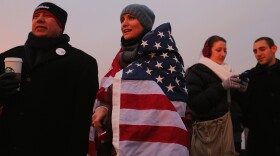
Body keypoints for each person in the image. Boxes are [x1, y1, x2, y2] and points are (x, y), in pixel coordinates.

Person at [88, 4, 190, 156]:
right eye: (122, 20)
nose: (124, 23)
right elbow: (111, 92)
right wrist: (104, 107)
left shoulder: (163, 56)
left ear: (145, 23)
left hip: (154, 142)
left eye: (131, 18)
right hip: (119, 143)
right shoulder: (118, 60)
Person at [0, 2, 99, 156]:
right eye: (35, 16)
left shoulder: (83, 63)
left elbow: (82, 121)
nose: (39, 19)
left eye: (47, 16)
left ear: (61, 26)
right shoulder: (7, 57)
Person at [185, 35, 248, 155]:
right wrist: (221, 87)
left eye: (225, 50)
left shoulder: (229, 73)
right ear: (207, 51)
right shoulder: (196, 71)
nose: (223, 54)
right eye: (218, 50)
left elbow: (238, 105)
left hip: (234, 133)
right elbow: (195, 103)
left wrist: (243, 91)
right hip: (211, 135)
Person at [241, 37, 280, 156]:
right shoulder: (249, 77)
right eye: (255, 51)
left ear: (274, 49)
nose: (258, 54)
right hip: (259, 143)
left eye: (262, 49)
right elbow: (243, 107)